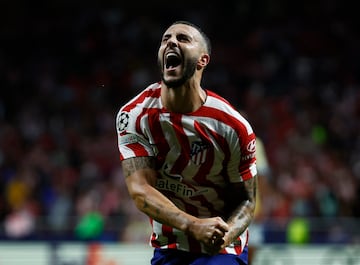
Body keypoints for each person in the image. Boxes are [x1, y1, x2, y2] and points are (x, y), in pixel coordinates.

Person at [116, 20, 258, 265]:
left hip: (221, 251)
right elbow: (140, 191)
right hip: (170, 247)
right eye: (165, 39)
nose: (171, 42)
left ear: (203, 60)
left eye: (183, 39)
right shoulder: (134, 115)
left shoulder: (232, 126)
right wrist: (193, 226)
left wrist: (224, 237)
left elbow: (247, 200)